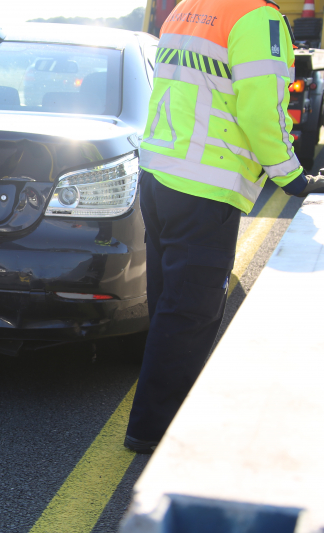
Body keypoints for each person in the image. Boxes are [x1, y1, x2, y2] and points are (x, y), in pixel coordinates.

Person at [126, 0, 324, 454]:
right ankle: (155, 431)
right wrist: (291, 175)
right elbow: (261, 111)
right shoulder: (258, 18)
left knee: (169, 306)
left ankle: (159, 420)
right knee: (190, 313)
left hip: (160, 175)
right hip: (203, 186)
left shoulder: (189, 8)